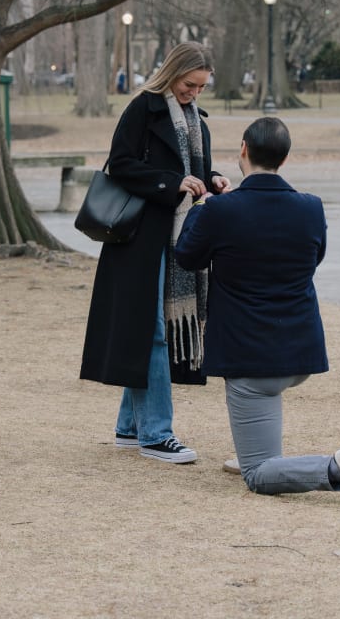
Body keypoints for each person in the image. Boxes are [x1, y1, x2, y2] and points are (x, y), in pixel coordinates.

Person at [175, 117, 340, 500]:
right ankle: (257, 453)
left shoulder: (220, 211)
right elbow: (314, 258)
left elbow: (187, 256)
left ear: (243, 149)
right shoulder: (311, 207)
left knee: (258, 474)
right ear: (285, 158)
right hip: (299, 349)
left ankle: (336, 467)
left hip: (248, 355)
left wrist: (202, 205)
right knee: (260, 438)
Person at [80, 42, 231, 464]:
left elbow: (194, 171)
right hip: (140, 239)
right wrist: (170, 183)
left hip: (177, 236)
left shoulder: (196, 120)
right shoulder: (142, 108)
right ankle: (156, 434)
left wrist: (212, 179)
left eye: (201, 87)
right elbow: (120, 164)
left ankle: (130, 428)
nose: (194, 93)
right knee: (152, 331)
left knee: (149, 330)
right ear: (173, 73)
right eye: (189, 84)